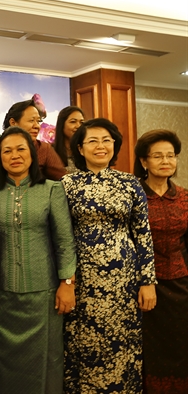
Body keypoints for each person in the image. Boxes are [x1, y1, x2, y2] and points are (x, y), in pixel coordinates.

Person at [62, 118, 157, 393]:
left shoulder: (130, 183)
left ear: (115, 145)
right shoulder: (66, 184)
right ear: (80, 149)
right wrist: (66, 279)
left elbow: (142, 234)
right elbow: (60, 236)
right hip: (83, 280)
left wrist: (147, 281)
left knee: (123, 345)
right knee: (84, 344)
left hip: (124, 282)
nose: (100, 146)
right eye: (92, 141)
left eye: (106, 140)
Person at [0, 126, 77, 394]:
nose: (15, 155)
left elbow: (64, 241)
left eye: (21, 149)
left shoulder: (52, 190)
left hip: (44, 295)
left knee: (46, 360)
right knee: (0, 361)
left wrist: (67, 283)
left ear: (32, 154)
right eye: (7, 151)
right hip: (0, 295)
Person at [134, 130, 188, 393]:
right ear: (144, 161)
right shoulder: (133, 195)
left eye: (171, 156)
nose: (166, 161)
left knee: (179, 343)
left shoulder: (185, 197)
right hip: (142, 286)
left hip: (180, 284)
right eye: (158, 156)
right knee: (148, 347)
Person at [0, 99, 66, 180]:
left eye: (38, 121)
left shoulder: (43, 148)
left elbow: (64, 180)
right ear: (13, 123)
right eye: (31, 120)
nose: (37, 126)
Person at [52, 106, 85, 173]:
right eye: (73, 122)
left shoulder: (86, 150)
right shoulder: (50, 152)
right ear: (62, 125)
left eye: (81, 122)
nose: (78, 126)